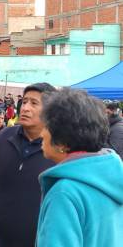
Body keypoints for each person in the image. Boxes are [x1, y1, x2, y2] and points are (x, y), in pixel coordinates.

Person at [37, 88, 123, 246]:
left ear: (63, 140)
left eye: (46, 127)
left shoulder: (65, 192)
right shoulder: (112, 179)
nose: (41, 134)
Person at [0, 83, 56, 247]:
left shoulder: (58, 147)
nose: (25, 108)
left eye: (34, 103)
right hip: (3, 239)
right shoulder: (5, 136)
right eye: (24, 102)